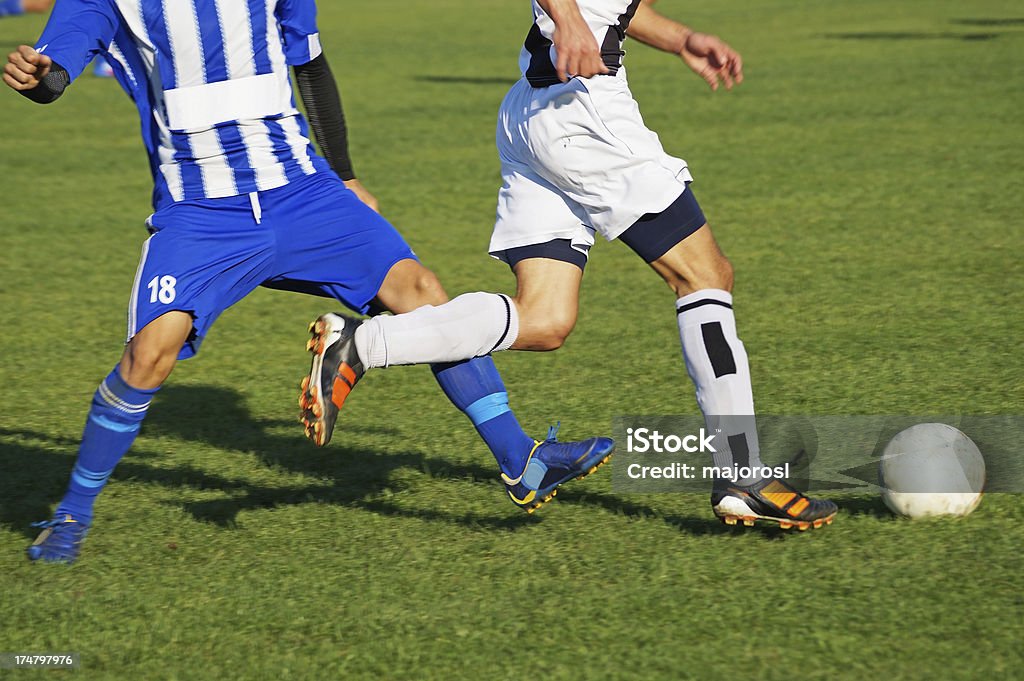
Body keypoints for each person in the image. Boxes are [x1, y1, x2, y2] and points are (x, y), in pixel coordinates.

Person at [5, 0, 611, 564]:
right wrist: (39, 77)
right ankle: (71, 515)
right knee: (149, 355)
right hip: (202, 214)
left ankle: (521, 461)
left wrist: (343, 175)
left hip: (305, 193)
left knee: (421, 294)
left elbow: (311, 66)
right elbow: (56, 70)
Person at [303, 0, 836, 530]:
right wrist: (568, 18)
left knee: (544, 320)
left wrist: (679, 39)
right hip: (585, 114)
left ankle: (360, 345)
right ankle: (742, 473)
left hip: (533, 116)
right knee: (704, 276)